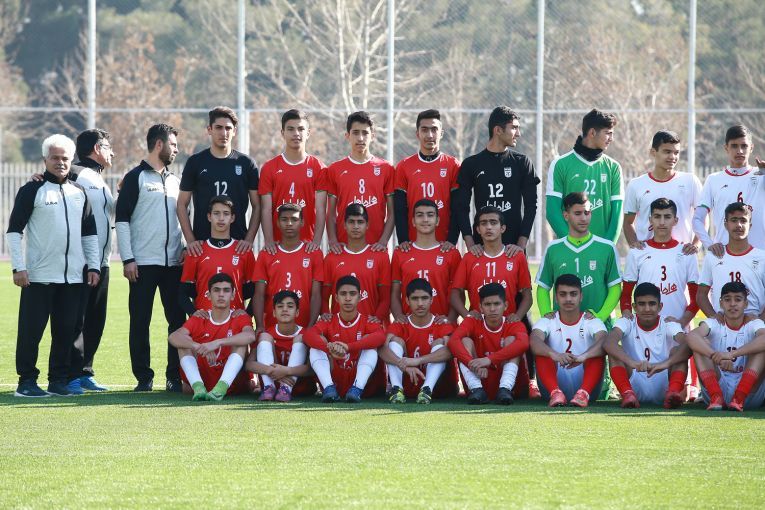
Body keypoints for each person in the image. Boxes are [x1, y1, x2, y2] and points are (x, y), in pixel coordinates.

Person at [7, 134, 100, 397]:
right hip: (38, 276)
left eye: (65, 158)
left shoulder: (79, 192)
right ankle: (26, 382)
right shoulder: (32, 190)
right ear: (45, 159)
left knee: (65, 332)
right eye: (55, 158)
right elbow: (14, 231)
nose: (60, 162)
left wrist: (93, 266)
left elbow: (89, 234)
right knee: (31, 332)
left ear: (72, 160)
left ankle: (57, 381)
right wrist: (18, 267)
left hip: (73, 277)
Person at [116, 123, 186, 392]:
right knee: (140, 321)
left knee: (177, 321)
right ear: (159, 144)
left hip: (173, 264)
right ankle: (143, 377)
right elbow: (122, 220)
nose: (176, 150)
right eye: (173, 145)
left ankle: (174, 376)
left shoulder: (175, 181)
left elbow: (181, 220)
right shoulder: (135, 178)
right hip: (142, 264)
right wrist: (128, 259)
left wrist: (183, 248)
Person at [68, 128, 116, 393]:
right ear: (97, 148)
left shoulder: (99, 178)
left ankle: (86, 370)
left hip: (102, 261)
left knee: (96, 319)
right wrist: (37, 178)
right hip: (84, 261)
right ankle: (70, 374)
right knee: (78, 319)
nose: (113, 153)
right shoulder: (75, 172)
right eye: (108, 147)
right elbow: (50, 182)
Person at [454, 106, 539, 255]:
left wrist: (521, 244)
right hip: (481, 249)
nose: (518, 133)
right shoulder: (471, 164)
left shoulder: (522, 162)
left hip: (514, 249)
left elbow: (531, 206)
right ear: (498, 130)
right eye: (514, 128)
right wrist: (470, 243)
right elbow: (461, 207)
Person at [177, 106, 260, 256]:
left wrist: (249, 239)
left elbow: (257, 205)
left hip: (238, 246)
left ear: (234, 131)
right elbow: (182, 204)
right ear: (209, 129)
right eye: (218, 127)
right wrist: (190, 240)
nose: (224, 133)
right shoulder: (195, 162)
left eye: (228, 128)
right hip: (202, 246)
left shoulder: (247, 164)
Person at [536, 192, 621, 324]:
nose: (583, 218)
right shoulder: (553, 248)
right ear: (566, 215)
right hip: (562, 328)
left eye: (587, 213)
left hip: (601, 327)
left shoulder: (607, 248)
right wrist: (547, 316)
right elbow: (543, 287)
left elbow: (615, 287)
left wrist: (600, 317)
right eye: (577, 213)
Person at [168, 273, 255, 401]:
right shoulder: (200, 317)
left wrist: (217, 342)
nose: (221, 294)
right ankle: (198, 387)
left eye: (226, 290)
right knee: (183, 344)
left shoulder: (239, 317)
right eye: (216, 290)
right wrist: (198, 346)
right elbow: (173, 337)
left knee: (240, 344)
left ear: (233, 295)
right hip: (203, 378)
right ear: (208, 295)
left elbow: (250, 336)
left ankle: (221, 388)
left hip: (232, 384)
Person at [605, 283, 691, 409]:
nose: (647, 309)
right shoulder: (627, 322)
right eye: (641, 304)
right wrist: (632, 363)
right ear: (634, 307)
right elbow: (608, 343)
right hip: (634, 380)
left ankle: (672, 393)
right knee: (615, 352)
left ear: (660, 307)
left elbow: (688, 345)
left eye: (652, 304)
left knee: (678, 351)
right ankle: (627, 394)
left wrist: (665, 364)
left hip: (664, 383)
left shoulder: (668, 323)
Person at [303, 275, 387, 403]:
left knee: (370, 345)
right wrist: (329, 348)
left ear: (359, 297)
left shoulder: (367, 321)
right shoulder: (329, 320)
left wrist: (349, 347)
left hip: (359, 381)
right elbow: (308, 335)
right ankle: (328, 388)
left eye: (352, 294)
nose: (348, 298)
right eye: (343, 294)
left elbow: (381, 337)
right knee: (316, 347)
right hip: (335, 377)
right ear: (336, 298)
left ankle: (357, 388)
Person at [322, 111, 395, 253]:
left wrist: (383, 241)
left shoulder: (386, 169)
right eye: (355, 133)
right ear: (347, 136)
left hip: (376, 249)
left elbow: (392, 213)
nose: (360, 138)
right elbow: (330, 213)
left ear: (372, 136)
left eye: (365, 133)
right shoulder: (335, 169)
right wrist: (333, 241)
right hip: (344, 248)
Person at [685, 282, 765, 412]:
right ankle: (716, 397)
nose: (732, 304)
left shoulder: (754, 323)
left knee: (761, 347)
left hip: (749, 393)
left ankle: (739, 397)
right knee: (700, 344)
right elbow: (691, 336)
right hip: (717, 386)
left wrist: (731, 354)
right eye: (727, 300)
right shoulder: (714, 323)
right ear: (721, 303)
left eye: (737, 299)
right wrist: (716, 357)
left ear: (745, 304)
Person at [530, 274, 607, 407]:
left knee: (597, 353)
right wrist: (555, 355)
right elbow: (534, 341)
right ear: (556, 298)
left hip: (589, 389)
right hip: (550, 388)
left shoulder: (592, 321)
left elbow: (605, 342)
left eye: (573, 294)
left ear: (581, 296)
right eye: (563, 294)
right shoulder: (547, 321)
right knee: (542, 352)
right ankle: (555, 393)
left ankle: (583, 394)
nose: (568, 299)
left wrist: (583, 356)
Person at [546, 109, 622, 243]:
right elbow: (553, 212)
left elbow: (617, 214)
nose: (611, 138)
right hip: (570, 248)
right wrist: (574, 243)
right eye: (608, 133)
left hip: (601, 250)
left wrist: (607, 247)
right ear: (592, 133)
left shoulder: (613, 167)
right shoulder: (560, 164)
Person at [621, 198, 700, 327]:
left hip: (677, 329)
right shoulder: (637, 252)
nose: (662, 222)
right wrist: (627, 317)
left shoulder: (687, 253)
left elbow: (697, 298)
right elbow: (625, 294)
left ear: (675, 220)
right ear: (650, 220)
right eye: (657, 217)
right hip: (644, 330)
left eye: (667, 217)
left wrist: (681, 323)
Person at [448, 283, 530, 405]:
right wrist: (473, 364)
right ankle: (476, 388)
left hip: (515, 389)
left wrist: (489, 360)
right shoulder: (472, 321)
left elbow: (524, 344)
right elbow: (453, 341)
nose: (492, 309)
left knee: (512, 341)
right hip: (479, 379)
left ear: (505, 305)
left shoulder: (513, 323)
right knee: (464, 341)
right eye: (487, 304)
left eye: (497, 304)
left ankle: (505, 388)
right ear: (480, 307)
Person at [379, 279, 458, 404]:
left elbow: (451, 351)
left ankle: (426, 389)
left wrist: (418, 360)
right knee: (394, 341)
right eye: (415, 298)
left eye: (424, 298)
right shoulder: (400, 324)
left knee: (439, 343)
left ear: (431, 300)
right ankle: (397, 389)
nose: (420, 303)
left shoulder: (442, 324)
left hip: (438, 391)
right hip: (407, 387)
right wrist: (404, 365)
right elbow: (382, 349)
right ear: (407, 301)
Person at [259, 109, 326, 251]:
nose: (296, 133)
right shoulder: (269, 168)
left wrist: (316, 242)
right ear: (282, 133)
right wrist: (269, 241)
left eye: (301, 129)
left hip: (307, 246)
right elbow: (266, 208)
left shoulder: (319, 168)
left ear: (308, 133)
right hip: (277, 246)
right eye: (290, 129)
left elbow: (321, 209)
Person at [623, 130, 703, 248]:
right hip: (647, 255)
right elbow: (627, 222)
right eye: (667, 152)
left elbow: (702, 217)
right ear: (653, 152)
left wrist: (696, 245)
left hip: (682, 254)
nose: (672, 157)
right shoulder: (636, 185)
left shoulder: (690, 181)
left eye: (676, 152)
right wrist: (635, 247)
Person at [450, 206, 532, 322]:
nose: (488, 227)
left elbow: (527, 296)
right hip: (477, 325)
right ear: (478, 229)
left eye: (493, 223)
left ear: (502, 228)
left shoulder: (516, 257)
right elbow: (455, 294)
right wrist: (467, 316)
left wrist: (517, 316)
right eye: (484, 223)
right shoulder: (470, 257)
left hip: (507, 324)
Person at [693, 125, 765, 254]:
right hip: (724, 256)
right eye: (734, 146)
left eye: (744, 146)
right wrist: (709, 244)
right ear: (726, 148)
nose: (740, 151)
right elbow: (697, 219)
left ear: (751, 148)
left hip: (759, 256)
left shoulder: (761, 175)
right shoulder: (714, 180)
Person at [179, 195, 256, 316]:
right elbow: (182, 292)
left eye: (226, 214)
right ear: (209, 217)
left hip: (234, 321)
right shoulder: (196, 251)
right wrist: (193, 314)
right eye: (216, 213)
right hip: (205, 321)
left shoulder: (244, 251)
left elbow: (256, 291)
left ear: (232, 218)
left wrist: (247, 314)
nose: (221, 218)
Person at [252, 203, 323, 332]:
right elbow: (259, 295)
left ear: (302, 222)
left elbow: (316, 295)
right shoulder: (266, 254)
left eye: (294, 219)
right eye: (284, 219)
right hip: (272, 327)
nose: (289, 223)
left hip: (304, 327)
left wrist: (311, 326)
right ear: (278, 223)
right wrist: (260, 325)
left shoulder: (314, 254)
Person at [394, 109, 460, 245]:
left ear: (441, 133)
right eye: (424, 130)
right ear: (417, 134)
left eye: (434, 130)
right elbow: (400, 210)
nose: (430, 135)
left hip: (444, 245)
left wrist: (451, 241)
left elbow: (457, 208)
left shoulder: (453, 165)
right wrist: (403, 240)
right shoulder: (403, 166)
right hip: (413, 244)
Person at [391, 199, 461, 323]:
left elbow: (458, 293)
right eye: (420, 215)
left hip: (441, 326)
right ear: (413, 221)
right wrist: (398, 317)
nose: (425, 219)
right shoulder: (400, 253)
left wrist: (449, 320)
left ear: (437, 220)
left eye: (430, 215)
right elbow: (394, 293)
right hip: (410, 327)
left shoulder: (451, 253)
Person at [322, 203, 391, 322]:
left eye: (360, 222)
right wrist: (325, 314)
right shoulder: (331, 258)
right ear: (344, 225)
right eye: (351, 222)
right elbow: (323, 298)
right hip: (339, 329)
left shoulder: (381, 257)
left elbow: (385, 298)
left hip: (369, 327)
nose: (355, 226)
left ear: (367, 225)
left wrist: (377, 319)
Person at [697, 202, 765, 321]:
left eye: (743, 220)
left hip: (753, 323)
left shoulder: (762, 257)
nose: (738, 225)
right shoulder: (713, 256)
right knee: (697, 332)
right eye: (734, 220)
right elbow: (701, 295)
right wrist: (714, 318)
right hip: (723, 324)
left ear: (750, 225)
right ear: (726, 224)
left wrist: (761, 321)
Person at [247, 290, 316, 402]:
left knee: (301, 338)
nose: (285, 309)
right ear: (274, 312)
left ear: (297, 312)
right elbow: (249, 364)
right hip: (273, 382)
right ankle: (269, 387)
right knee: (264, 336)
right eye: (280, 306)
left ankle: (286, 389)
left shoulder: (306, 334)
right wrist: (271, 370)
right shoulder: (267, 334)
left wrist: (287, 371)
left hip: (298, 388)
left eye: (290, 306)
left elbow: (311, 369)